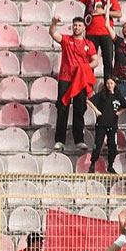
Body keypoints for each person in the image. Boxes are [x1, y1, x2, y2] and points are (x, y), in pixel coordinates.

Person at [51, 16, 97, 152]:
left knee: (79, 109)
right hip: (66, 78)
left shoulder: (89, 43)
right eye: (75, 25)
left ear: (84, 28)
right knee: (62, 108)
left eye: (79, 25)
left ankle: (79, 140)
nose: (77, 28)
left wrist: (85, 68)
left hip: (80, 79)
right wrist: (54, 23)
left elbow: (95, 61)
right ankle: (59, 140)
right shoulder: (66, 40)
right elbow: (53, 33)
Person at [69, 0, 122, 77]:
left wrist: (103, 11)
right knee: (89, 63)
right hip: (91, 34)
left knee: (108, 63)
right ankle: (89, 89)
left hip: (106, 33)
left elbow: (119, 14)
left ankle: (109, 89)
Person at [88, 78, 126, 173]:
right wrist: (96, 111)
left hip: (112, 125)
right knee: (98, 145)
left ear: (115, 84)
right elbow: (89, 101)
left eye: (111, 83)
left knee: (112, 146)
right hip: (101, 124)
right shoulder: (102, 95)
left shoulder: (118, 97)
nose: (109, 85)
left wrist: (120, 112)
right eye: (107, 83)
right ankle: (92, 164)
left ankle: (110, 165)